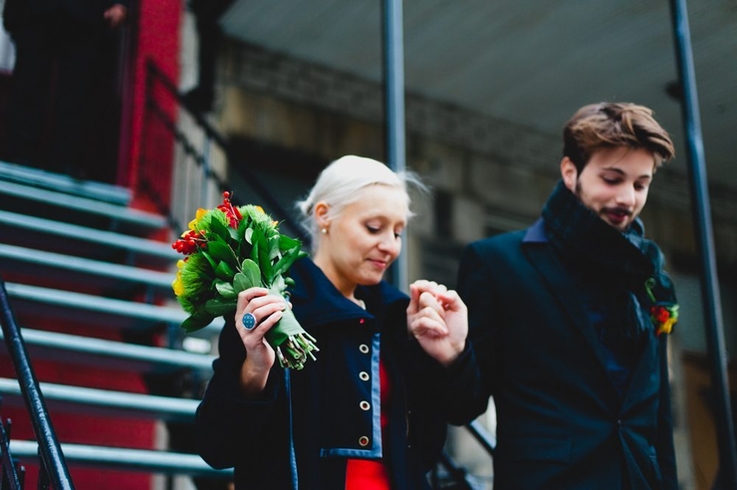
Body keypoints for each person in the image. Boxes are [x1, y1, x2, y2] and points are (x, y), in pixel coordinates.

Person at [195, 155, 469, 489]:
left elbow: (456, 417)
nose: (390, 246)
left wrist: (451, 353)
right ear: (324, 216)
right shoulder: (270, 306)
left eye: (398, 232)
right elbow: (217, 447)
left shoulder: (398, 318)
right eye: (374, 227)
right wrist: (255, 369)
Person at [455, 102, 680, 489]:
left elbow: (657, 416)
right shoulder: (495, 263)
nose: (628, 197)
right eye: (612, 179)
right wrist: (451, 354)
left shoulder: (651, 275)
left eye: (640, 184)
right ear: (570, 172)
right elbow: (463, 404)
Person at [2, 0, 128, 179]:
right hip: (31, 10)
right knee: (28, 82)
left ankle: (65, 160)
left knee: (76, 92)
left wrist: (121, 4)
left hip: (85, 14)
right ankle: (20, 155)